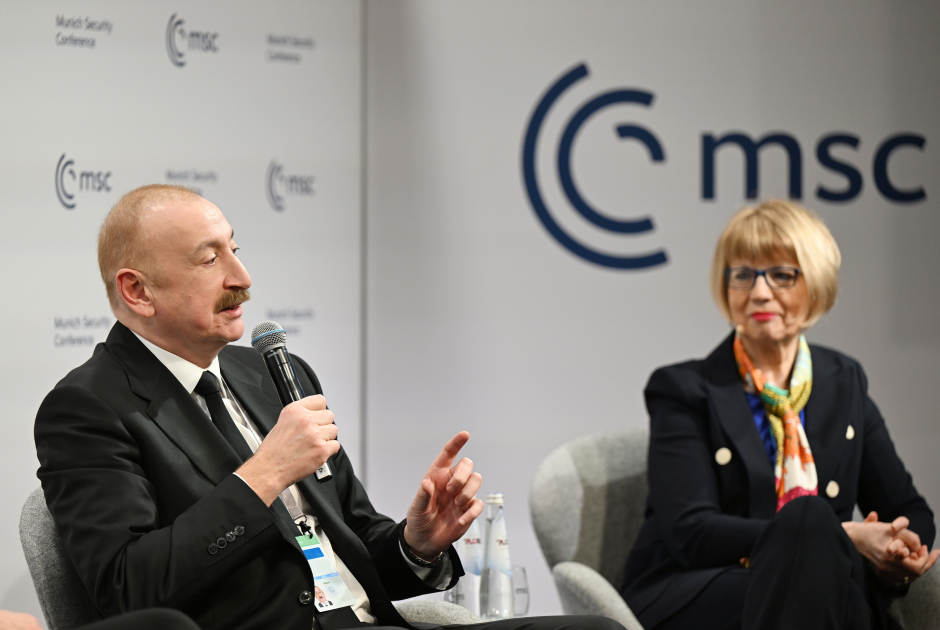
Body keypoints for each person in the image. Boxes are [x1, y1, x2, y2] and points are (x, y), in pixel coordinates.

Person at [35, 184, 622, 630]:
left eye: (235, 250)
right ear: (137, 291)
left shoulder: (269, 373)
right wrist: (265, 473)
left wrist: (417, 543)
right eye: (209, 260)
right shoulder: (87, 408)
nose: (242, 276)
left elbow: (355, 540)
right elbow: (129, 591)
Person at [620, 200, 938, 630]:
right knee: (812, 530)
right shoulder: (684, 389)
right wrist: (837, 537)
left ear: (817, 283)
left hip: (818, 587)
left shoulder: (844, 380)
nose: (759, 292)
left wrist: (898, 547)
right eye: (742, 275)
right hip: (699, 586)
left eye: (782, 275)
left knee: (822, 581)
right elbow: (690, 532)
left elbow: (908, 508)